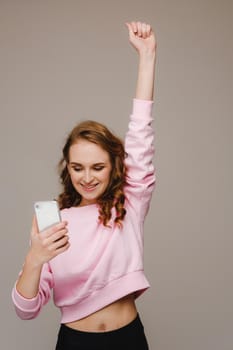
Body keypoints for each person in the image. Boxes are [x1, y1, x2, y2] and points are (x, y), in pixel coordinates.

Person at [12, 20, 157, 350]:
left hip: (129, 339)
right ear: (68, 167)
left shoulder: (130, 200)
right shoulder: (55, 220)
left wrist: (147, 57)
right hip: (75, 342)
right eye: (78, 167)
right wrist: (35, 257)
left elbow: (140, 134)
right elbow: (25, 310)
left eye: (98, 167)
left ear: (114, 167)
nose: (87, 177)